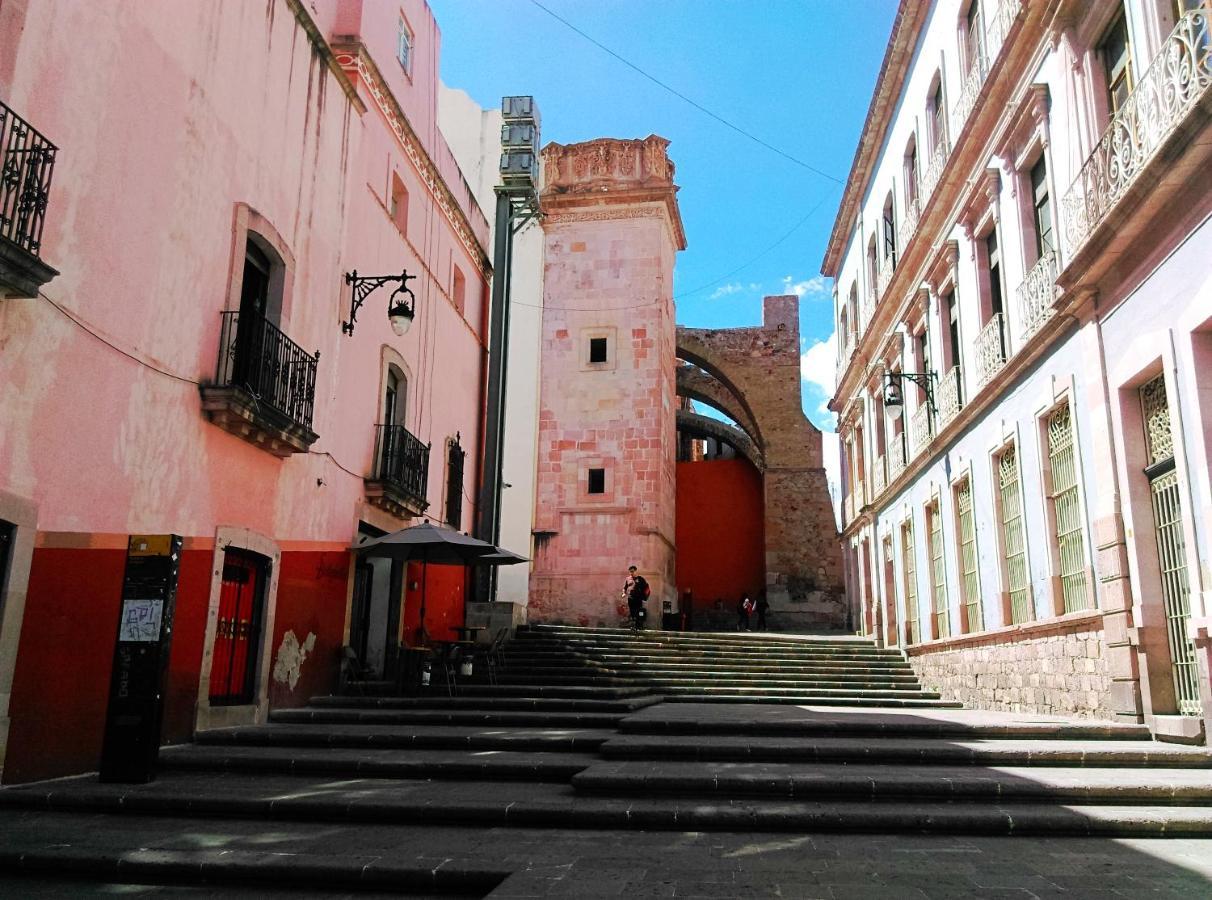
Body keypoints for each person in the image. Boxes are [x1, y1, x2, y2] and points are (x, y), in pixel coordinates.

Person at [623, 565, 650, 632]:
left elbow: (646, 588)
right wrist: (624, 593)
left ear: (636, 571)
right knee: (632, 613)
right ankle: (634, 626)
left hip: (638, 599)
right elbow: (625, 588)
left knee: (638, 612)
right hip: (630, 598)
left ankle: (638, 626)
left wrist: (645, 596)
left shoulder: (640, 579)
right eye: (630, 572)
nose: (631, 573)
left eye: (632, 571)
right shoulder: (628, 579)